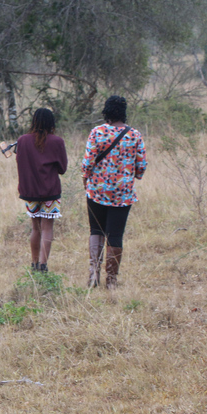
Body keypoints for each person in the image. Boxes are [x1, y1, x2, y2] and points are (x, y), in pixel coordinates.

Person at [82, 96, 147, 289]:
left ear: (106, 112)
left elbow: (87, 163)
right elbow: (141, 167)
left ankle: (94, 274)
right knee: (115, 235)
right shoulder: (134, 135)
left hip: (96, 191)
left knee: (96, 230)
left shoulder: (97, 132)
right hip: (123, 193)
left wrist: (86, 178)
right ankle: (111, 280)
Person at [15, 108, 68, 273]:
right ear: (52, 123)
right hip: (50, 191)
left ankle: (34, 263)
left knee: (35, 227)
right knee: (47, 228)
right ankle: (43, 265)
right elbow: (62, 169)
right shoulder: (57, 141)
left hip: (30, 192)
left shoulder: (22, 140)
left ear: (34, 121)